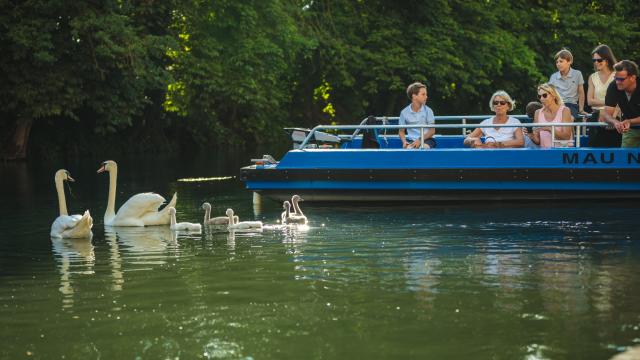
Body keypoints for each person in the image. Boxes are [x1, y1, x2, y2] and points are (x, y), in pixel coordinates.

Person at [586, 44, 621, 147]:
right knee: (594, 150)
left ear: (607, 60)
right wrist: (610, 103)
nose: (596, 62)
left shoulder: (618, 75)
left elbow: (622, 99)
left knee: (614, 151)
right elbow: (590, 101)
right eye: (594, 60)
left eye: (599, 60)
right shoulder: (592, 77)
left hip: (615, 116)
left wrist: (612, 116)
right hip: (596, 117)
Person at [602, 60, 640, 147]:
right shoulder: (613, 86)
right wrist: (615, 122)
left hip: (629, 124)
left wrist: (629, 121)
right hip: (629, 130)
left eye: (621, 79)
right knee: (625, 158)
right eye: (616, 78)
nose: (617, 82)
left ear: (633, 78)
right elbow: (607, 114)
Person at [530, 83, 574, 148]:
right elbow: (538, 141)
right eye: (539, 96)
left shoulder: (565, 110)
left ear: (553, 95)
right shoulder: (538, 112)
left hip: (563, 153)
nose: (541, 99)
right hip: (545, 153)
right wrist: (530, 135)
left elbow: (566, 137)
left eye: (544, 95)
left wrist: (549, 128)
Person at [549, 49, 586, 120]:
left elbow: (581, 93)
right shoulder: (553, 76)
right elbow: (549, 94)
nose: (558, 64)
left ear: (569, 61)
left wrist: (581, 109)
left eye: (561, 61)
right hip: (557, 105)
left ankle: (570, 130)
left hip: (571, 105)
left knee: (569, 119)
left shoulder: (577, 74)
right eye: (557, 62)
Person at [399, 82, 436, 149]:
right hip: (411, 141)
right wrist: (404, 142)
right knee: (409, 149)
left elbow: (432, 131)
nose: (426, 97)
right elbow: (401, 131)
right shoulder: (404, 112)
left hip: (427, 140)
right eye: (423, 94)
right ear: (414, 96)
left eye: (426, 94)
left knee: (423, 148)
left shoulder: (428, 111)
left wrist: (419, 140)